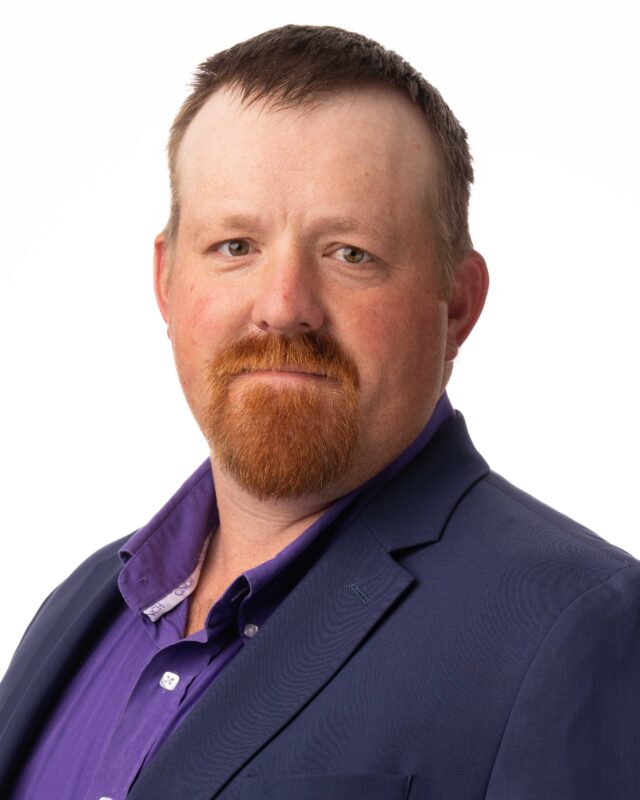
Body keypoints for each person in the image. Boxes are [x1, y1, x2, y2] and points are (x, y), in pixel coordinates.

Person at [1, 23, 638, 800]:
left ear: (457, 306)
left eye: (350, 253)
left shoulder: (576, 627)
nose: (282, 306)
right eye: (235, 246)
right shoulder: (80, 606)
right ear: (166, 283)